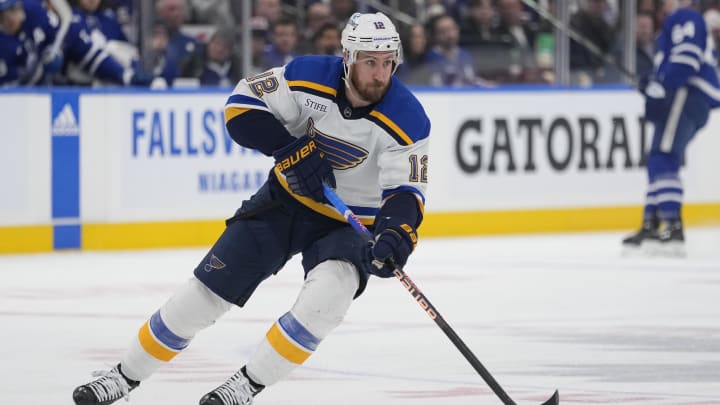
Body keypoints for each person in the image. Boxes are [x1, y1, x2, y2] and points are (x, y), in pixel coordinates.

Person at [72, 11, 430, 405]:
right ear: (347, 57)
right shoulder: (307, 75)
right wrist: (290, 150)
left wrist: (396, 235)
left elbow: (407, 193)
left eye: (387, 62)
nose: (380, 74)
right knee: (203, 296)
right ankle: (123, 376)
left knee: (326, 300)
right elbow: (240, 107)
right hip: (284, 201)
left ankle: (245, 385)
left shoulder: (408, 118)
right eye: (369, 62)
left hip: (350, 225)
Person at [622, 0, 719, 256]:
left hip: (687, 92)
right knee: (659, 156)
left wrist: (663, 86)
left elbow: (687, 58)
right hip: (687, 94)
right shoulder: (670, 24)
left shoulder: (684, 16)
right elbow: (671, 66)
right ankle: (652, 222)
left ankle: (672, 224)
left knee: (663, 157)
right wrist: (650, 82)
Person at [0, 0, 66, 86]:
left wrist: (54, 50)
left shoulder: (34, 10)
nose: (12, 17)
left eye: (14, 8)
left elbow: (57, 33)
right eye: (4, 14)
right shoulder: (3, 44)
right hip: (16, 88)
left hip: (44, 80)